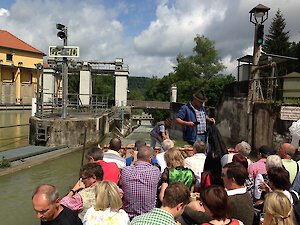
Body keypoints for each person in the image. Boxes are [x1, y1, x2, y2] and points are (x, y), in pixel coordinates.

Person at [121, 145, 161, 220]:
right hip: (148, 216)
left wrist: (134, 160)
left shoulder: (125, 170)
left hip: (129, 216)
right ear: (150, 158)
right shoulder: (155, 171)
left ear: (137, 157)